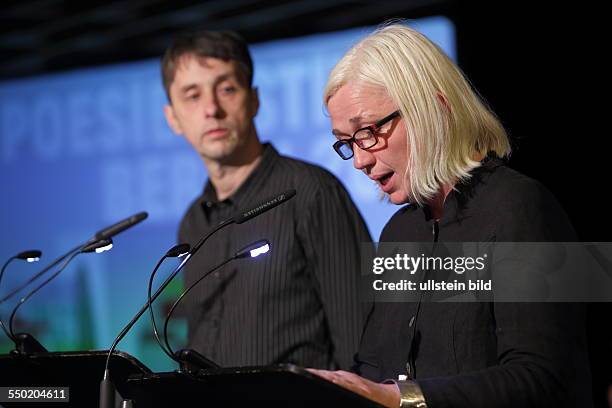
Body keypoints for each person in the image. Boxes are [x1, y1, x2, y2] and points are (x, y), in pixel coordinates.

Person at [308, 23, 593, 407]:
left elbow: (547, 378)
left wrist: (403, 399)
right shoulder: (397, 233)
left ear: (434, 108)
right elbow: (375, 369)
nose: (359, 160)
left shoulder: (526, 205)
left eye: (368, 132)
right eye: (346, 143)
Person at [161, 30, 372, 369]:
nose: (212, 109)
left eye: (227, 89)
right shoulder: (192, 222)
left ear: (254, 99)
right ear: (173, 118)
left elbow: (361, 339)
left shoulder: (311, 192)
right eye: (192, 95)